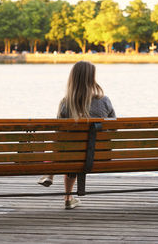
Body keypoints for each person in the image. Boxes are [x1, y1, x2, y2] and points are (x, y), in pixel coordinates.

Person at [37, 61, 116, 209]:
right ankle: (65, 193)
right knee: (74, 149)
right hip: (100, 155)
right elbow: (114, 129)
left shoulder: (65, 103)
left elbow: (59, 134)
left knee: (67, 147)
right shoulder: (104, 101)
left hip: (72, 156)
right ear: (92, 79)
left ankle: (54, 178)